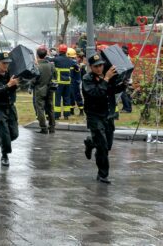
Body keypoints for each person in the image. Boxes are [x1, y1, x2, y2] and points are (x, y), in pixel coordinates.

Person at [82, 53, 125, 184]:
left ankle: (91, 142)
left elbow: (111, 91)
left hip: (108, 114)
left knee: (108, 145)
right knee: (103, 146)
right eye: (96, 66)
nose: (99, 68)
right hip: (94, 115)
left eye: (101, 65)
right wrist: (106, 79)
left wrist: (123, 84)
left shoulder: (107, 75)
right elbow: (95, 93)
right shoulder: (87, 79)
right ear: (91, 67)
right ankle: (103, 175)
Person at [31, 46, 56, 134]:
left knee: (40, 109)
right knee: (50, 108)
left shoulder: (37, 67)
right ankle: (52, 127)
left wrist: (30, 86)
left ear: (37, 55)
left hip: (39, 90)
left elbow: (34, 80)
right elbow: (54, 76)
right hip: (50, 90)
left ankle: (43, 128)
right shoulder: (51, 65)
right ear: (46, 55)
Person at [52, 44, 76, 119]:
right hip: (67, 83)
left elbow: (49, 60)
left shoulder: (56, 59)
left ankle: (56, 115)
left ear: (59, 50)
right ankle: (66, 115)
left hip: (59, 82)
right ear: (66, 51)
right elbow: (76, 66)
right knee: (67, 98)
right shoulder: (70, 60)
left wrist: (54, 54)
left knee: (57, 99)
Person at [67, 47, 84, 116]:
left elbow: (77, 68)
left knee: (77, 96)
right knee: (71, 97)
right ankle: (71, 111)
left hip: (75, 82)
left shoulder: (74, 63)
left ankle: (81, 111)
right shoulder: (71, 62)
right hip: (71, 82)